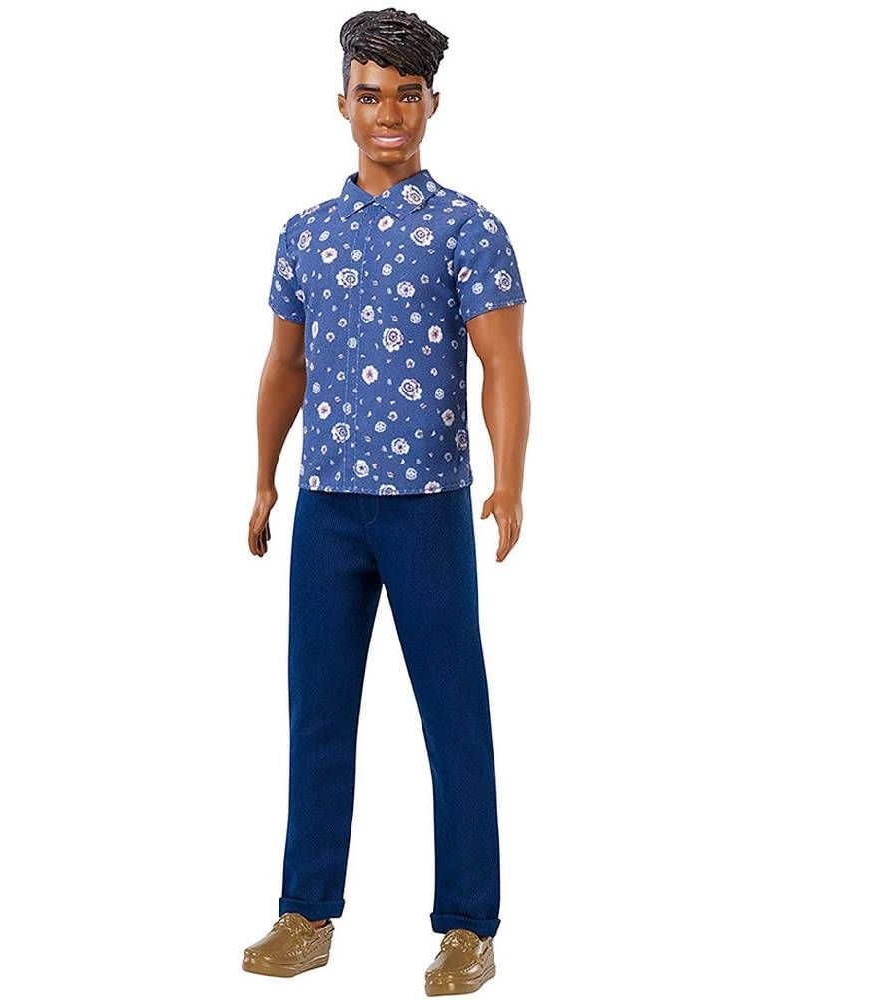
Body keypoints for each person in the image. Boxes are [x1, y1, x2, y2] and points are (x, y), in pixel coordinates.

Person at [244, 7, 530, 994]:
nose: (390, 114)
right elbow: (284, 366)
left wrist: (509, 479)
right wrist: (262, 477)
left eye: (408, 96)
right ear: (343, 105)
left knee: (454, 713)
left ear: (432, 104)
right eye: (371, 95)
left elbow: (502, 362)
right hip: (327, 506)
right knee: (317, 711)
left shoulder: (466, 228)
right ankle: (305, 910)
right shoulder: (306, 235)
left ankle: (469, 925)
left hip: (425, 505)